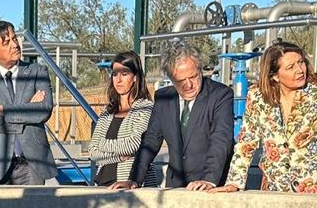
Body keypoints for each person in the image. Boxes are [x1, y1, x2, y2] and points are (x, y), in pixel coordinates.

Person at [219, 40, 317, 194]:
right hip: (276, 187)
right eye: (290, 67)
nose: (299, 70)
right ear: (275, 76)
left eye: (301, 62)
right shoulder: (258, 97)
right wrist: (234, 182)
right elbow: (246, 141)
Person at [112, 43, 233, 191]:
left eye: (193, 76)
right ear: (171, 78)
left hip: (211, 186)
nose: (189, 85)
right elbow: (151, 140)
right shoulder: (163, 98)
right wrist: (134, 179)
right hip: (175, 186)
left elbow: (221, 139)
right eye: (181, 80)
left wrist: (209, 179)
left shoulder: (220, 95)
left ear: (200, 70)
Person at [0, 20, 55, 187]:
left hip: (32, 165)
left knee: (34, 205)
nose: (14, 45)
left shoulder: (37, 71)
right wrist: (26, 112)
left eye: (14, 39)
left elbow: (44, 110)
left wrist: (3, 109)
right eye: (6, 42)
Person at [87, 51, 154, 187]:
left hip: (131, 184)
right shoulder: (107, 111)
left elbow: (133, 145)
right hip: (103, 183)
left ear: (135, 77)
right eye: (115, 74)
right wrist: (118, 157)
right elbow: (92, 151)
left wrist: (101, 143)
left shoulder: (145, 107)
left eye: (124, 74)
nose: (118, 80)